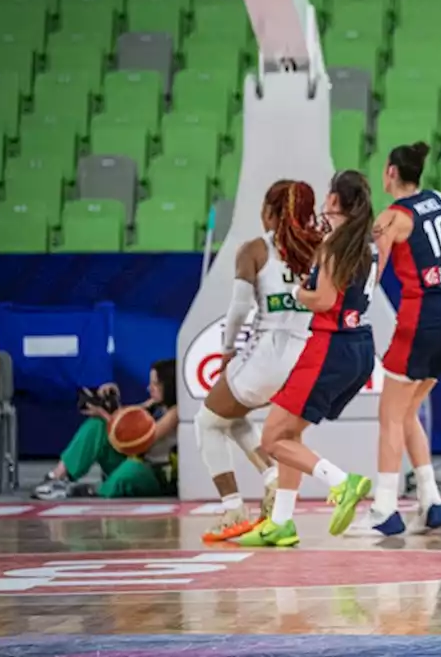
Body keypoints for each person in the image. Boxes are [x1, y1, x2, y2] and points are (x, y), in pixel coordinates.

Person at [355, 143, 441, 537]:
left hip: (422, 318)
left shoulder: (391, 219)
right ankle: (431, 501)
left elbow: (372, 275)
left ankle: (384, 507)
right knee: (408, 411)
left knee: (389, 415)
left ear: (391, 172)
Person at [239, 171, 378, 548]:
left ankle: (341, 481)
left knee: (271, 439)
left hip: (330, 345)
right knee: (291, 434)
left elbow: (324, 300)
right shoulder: (365, 243)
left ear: (334, 202)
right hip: (358, 344)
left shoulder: (335, 246)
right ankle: (281, 521)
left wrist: (300, 292)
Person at [195, 180, 323, 542]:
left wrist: (227, 351)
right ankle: (270, 480)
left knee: (206, 423)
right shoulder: (319, 250)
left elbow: (238, 310)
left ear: (269, 212)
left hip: (266, 356)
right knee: (231, 418)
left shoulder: (254, 249)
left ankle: (233, 509)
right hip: (303, 360)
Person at [33, 361, 180, 499]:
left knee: (131, 470)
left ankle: (84, 490)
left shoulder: (175, 412)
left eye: (155, 384)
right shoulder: (154, 403)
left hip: (155, 474)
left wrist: (104, 414)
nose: (149, 388)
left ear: (168, 385)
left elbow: (142, 438)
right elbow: (127, 416)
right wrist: (110, 400)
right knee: (97, 425)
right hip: (135, 459)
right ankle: (57, 476)